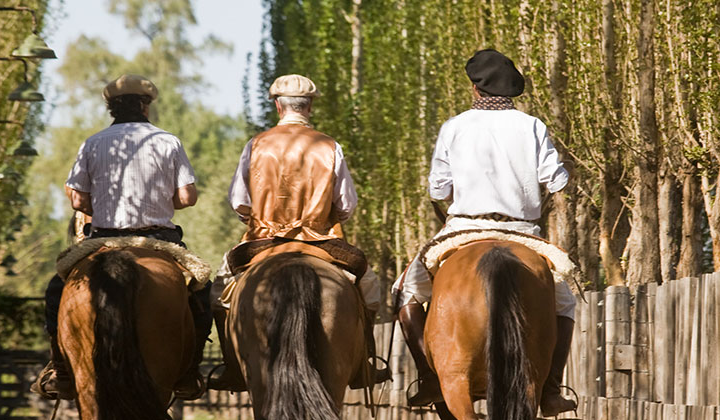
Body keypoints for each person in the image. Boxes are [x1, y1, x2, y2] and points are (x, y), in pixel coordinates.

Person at [392, 49, 578, 415]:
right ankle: (551, 389)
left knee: (406, 293)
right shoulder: (533, 126)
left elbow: (438, 190)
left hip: (464, 228)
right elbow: (557, 181)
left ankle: (430, 378)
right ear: (510, 91)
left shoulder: (455, 126)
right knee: (565, 301)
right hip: (521, 232)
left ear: (475, 89)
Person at [31, 74, 212, 401]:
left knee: (56, 289)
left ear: (111, 108)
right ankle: (188, 372)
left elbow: (76, 200)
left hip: (102, 240)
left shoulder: (92, 142)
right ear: (145, 105)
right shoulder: (167, 141)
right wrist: (159, 200)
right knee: (201, 287)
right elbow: (187, 197)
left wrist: (97, 201)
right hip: (158, 240)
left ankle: (60, 371)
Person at [208, 74, 383, 391]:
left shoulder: (256, 144)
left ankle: (233, 369)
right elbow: (346, 205)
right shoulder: (329, 146)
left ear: (277, 105)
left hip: (264, 240)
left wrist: (259, 215)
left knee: (219, 293)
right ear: (310, 106)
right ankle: (363, 363)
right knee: (370, 288)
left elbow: (239, 202)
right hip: (321, 241)